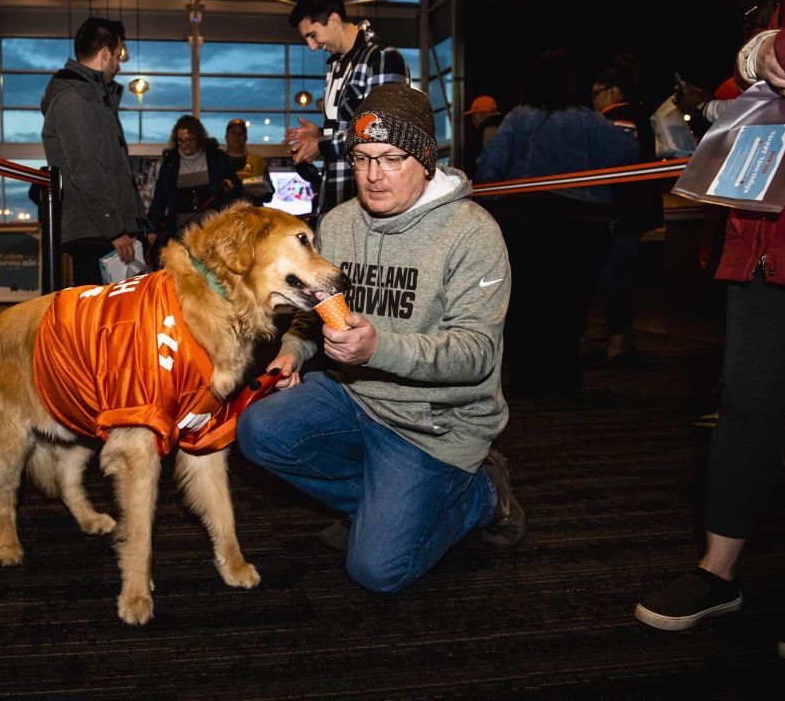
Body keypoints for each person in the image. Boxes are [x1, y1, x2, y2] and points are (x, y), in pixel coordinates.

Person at [237, 83, 525, 594]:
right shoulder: (341, 223)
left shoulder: (473, 234)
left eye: (392, 158)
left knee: (376, 571)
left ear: (426, 160)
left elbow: (476, 355)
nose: (372, 175)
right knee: (257, 430)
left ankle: (481, 494)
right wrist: (291, 352)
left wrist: (378, 348)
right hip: (356, 395)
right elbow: (315, 310)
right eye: (363, 157)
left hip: (436, 426)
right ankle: (380, 502)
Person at [635, 0, 785, 664]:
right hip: (772, 227)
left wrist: (767, 48)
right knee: (747, 408)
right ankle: (717, 573)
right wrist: (758, 52)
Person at [475, 50, 638, 396]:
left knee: (523, 305)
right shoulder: (588, 120)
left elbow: (490, 168)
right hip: (580, 226)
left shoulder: (519, 117)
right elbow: (627, 152)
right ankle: (564, 377)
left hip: (524, 222)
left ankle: (525, 379)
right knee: (569, 305)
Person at [283, 0, 410, 223]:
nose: (311, 46)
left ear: (333, 19)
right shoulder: (338, 65)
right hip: (337, 200)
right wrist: (319, 135)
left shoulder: (382, 58)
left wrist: (321, 145)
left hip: (368, 208)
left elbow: (383, 131)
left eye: (312, 35)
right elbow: (353, 128)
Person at [40, 17, 147, 287]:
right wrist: (116, 229)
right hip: (96, 234)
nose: (119, 65)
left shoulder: (93, 98)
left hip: (103, 232)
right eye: (118, 55)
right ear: (104, 53)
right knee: (98, 322)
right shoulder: (74, 99)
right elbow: (86, 171)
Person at [589, 54, 663, 366]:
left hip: (621, 211)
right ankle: (621, 338)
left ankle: (618, 341)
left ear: (612, 91)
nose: (592, 100)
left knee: (614, 277)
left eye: (595, 93)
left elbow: (614, 162)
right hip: (636, 209)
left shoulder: (617, 119)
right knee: (618, 276)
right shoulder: (639, 117)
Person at [146, 115, 243, 267]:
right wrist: (152, 228)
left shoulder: (216, 157)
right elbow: (160, 198)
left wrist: (232, 185)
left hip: (212, 226)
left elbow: (237, 186)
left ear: (198, 138)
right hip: (182, 229)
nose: (185, 145)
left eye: (189, 140)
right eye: (180, 141)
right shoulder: (171, 162)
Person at [223, 118, 274, 207]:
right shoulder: (217, 161)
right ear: (226, 137)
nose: (237, 136)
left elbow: (269, 195)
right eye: (233, 132)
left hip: (253, 215)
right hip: (224, 216)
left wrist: (262, 194)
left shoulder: (258, 161)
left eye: (241, 133)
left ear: (246, 137)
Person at [462, 95, 503, 176]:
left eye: (473, 116)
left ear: (478, 115)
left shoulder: (483, 133)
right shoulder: (507, 127)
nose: (473, 120)